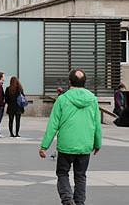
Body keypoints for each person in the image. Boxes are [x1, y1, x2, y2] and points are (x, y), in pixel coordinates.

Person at [40, 69, 102, 205]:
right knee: (80, 176)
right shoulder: (93, 100)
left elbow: (53, 125)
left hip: (66, 145)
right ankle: (79, 202)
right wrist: (97, 144)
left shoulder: (62, 99)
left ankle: (67, 199)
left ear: (69, 82)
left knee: (62, 173)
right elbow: (97, 124)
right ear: (85, 82)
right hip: (85, 145)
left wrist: (44, 146)